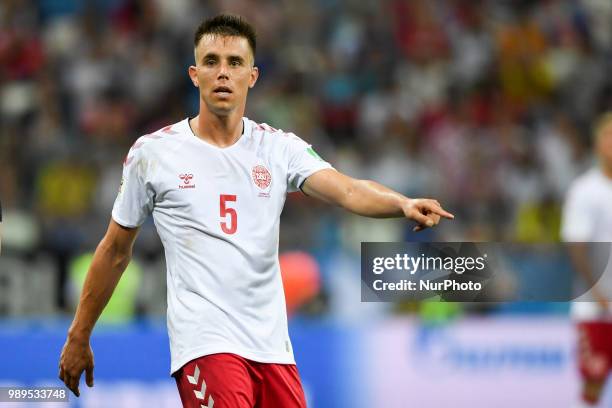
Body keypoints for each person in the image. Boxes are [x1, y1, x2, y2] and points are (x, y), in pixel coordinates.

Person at [58, 14, 454, 407]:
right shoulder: (154, 154)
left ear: (253, 76)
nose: (223, 73)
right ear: (195, 75)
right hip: (205, 344)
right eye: (211, 62)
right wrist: (79, 334)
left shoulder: (278, 149)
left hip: (273, 351)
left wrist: (401, 203)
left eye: (234, 63)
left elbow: (348, 190)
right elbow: (115, 249)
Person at [561, 112, 612, 407]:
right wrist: (597, 291)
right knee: (594, 381)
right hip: (595, 307)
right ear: (597, 144)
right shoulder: (585, 190)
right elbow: (576, 245)